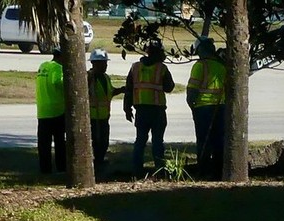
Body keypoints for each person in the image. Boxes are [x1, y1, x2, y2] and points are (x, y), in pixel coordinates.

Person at [124, 41, 176, 175]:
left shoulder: (135, 67)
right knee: (158, 141)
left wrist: (127, 108)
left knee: (140, 140)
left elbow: (129, 90)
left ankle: (137, 170)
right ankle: (159, 170)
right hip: (157, 110)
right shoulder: (161, 68)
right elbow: (169, 87)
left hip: (141, 110)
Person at [186, 36, 228, 180]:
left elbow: (192, 91)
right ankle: (218, 172)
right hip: (220, 108)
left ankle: (203, 171)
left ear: (200, 50)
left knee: (203, 142)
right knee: (218, 142)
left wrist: (192, 106)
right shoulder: (222, 65)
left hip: (203, 108)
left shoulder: (200, 65)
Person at [35, 47, 66, 174]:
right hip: (57, 110)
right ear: (61, 56)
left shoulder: (43, 66)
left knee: (44, 144)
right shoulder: (58, 68)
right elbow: (57, 82)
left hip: (42, 109)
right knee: (59, 142)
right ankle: (61, 167)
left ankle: (45, 169)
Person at [87, 48, 117, 175]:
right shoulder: (88, 77)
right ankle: (95, 163)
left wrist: (120, 90)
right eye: (102, 63)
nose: (105, 66)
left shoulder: (106, 78)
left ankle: (100, 160)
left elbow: (109, 93)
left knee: (104, 141)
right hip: (93, 116)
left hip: (104, 116)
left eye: (105, 63)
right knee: (95, 141)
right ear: (94, 63)